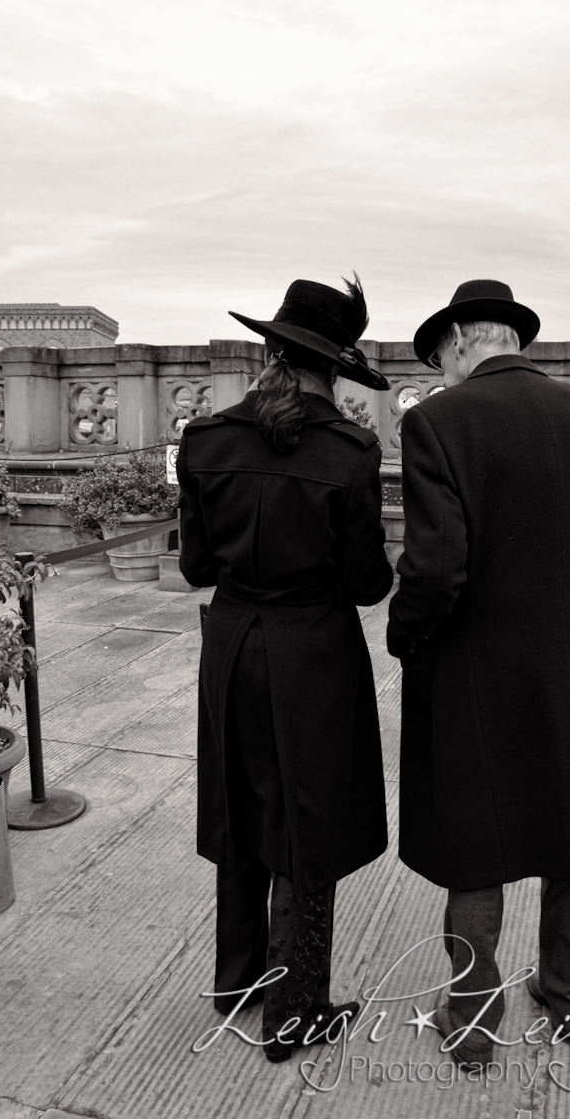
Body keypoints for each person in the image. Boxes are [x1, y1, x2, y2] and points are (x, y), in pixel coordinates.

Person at [386, 280, 570, 1063]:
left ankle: (472, 1023)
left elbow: (436, 569)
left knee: (478, 835)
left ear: (468, 340)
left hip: (475, 664)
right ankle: (569, 1000)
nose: (439, 369)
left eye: (440, 352)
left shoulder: (437, 421)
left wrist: (405, 639)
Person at [177, 276, 394, 1062]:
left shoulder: (203, 441)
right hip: (312, 653)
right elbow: (368, 582)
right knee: (306, 821)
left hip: (231, 643)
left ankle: (237, 983)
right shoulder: (350, 451)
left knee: (239, 806)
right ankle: (294, 1009)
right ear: (331, 369)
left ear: (271, 352)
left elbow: (197, 563)